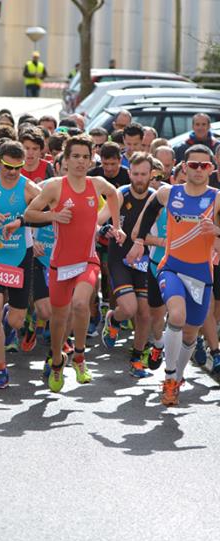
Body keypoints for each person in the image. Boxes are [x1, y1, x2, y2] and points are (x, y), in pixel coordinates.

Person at [23, 136, 124, 392]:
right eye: (75, 156)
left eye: (85, 157)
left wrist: (116, 226)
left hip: (87, 259)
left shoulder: (96, 184)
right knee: (58, 319)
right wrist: (54, 215)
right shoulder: (54, 187)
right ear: (66, 160)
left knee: (80, 304)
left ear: (91, 161)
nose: (80, 161)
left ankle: (79, 356)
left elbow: (115, 195)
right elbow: (29, 214)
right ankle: (57, 361)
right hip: (60, 263)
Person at [128, 144, 220, 405]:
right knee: (176, 315)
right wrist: (140, 241)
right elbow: (149, 212)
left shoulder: (217, 198)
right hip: (171, 267)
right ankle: (169, 378)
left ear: (211, 169)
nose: (199, 169)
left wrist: (216, 231)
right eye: (194, 165)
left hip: (201, 274)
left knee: (190, 334)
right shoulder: (169, 193)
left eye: (204, 165)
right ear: (184, 167)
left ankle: (178, 376)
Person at [0, 141, 42, 388]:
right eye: (7, 167)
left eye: (18, 167)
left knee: (16, 321)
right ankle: (1, 370)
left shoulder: (31, 189)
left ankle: (8, 319)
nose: (13, 172)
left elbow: (46, 215)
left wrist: (23, 221)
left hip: (20, 254)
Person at [101, 152, 155, 378]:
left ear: (151, 174)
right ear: (129, 173)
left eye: (144, 174)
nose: (139, 179)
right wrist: (105, 228)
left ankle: (137, 359)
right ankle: (113, 319)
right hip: (119, 259)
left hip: (143, 261)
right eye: (135, 174)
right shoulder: (121, 194)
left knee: (145, 313)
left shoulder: (156, 198)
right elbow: (100, 218)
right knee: (129, 308)